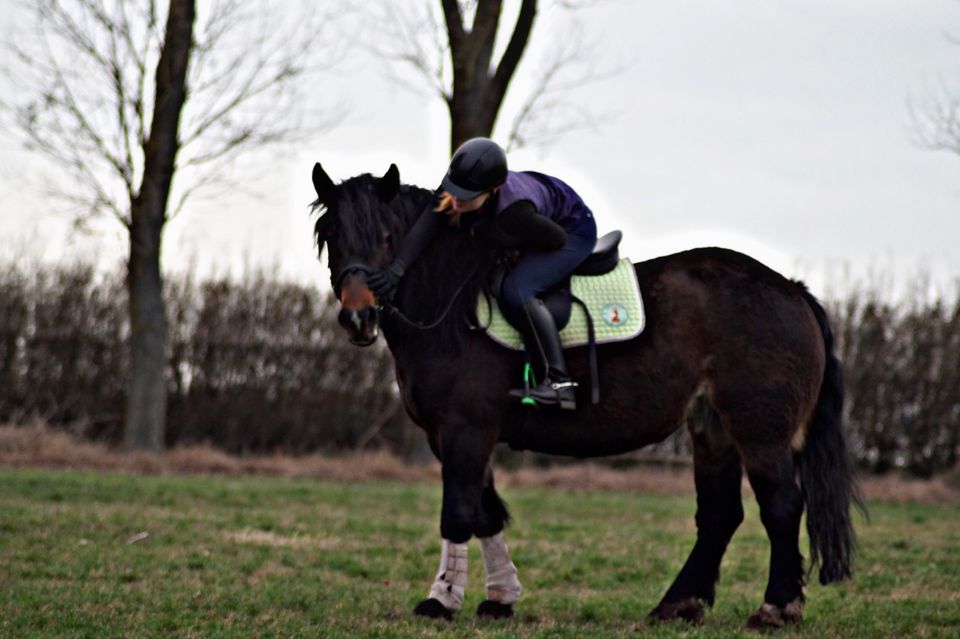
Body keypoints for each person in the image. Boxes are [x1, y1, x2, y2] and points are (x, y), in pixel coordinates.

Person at [368, 137, 598, 410]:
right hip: (534, 216)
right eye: (454, 191)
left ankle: (559, 384)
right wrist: (396, 271)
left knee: (517, 291)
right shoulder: (461, 182)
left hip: (571, 232)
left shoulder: (515, 213)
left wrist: (499, 237)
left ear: (493, 190)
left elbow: (555, 239)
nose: (454, 203)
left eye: (465, 198)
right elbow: (428, 223)